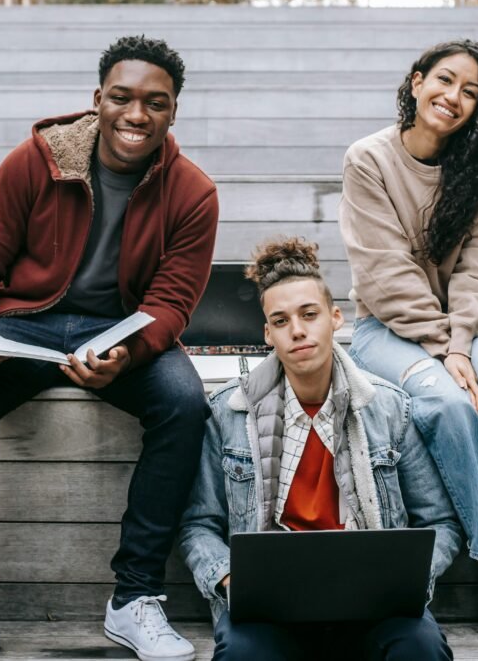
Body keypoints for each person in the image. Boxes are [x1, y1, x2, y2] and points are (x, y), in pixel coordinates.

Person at [0, 35, 218, 661]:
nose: (136, 115)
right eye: (122, 98)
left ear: (173, 112)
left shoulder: (192, 192)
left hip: (123, 330)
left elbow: (172, 303)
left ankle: (134, 598)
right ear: (97, 100)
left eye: (155, 104)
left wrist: (128, 356)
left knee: (186, 403)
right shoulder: (37, 161)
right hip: (26, 321)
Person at [338, 40, 478, 653]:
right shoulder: (369, 160)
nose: (454, 98)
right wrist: (448, 350)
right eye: (444, 81)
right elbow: (385, 277)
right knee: (446, 404)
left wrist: (462, 341)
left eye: (472, 92)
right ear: (416, 83)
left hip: (464, 324)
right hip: (385, 329)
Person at [179, 237, 462, 661]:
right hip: (270, 611)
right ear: (267, 334)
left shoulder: (388, 408)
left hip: (374, 607)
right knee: (242, 654)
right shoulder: (229, 413)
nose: (297, 330)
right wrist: (230, 579)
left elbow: (440, 521)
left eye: (309, 314)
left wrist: (405, 581)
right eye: (281, 320)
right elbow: (197, 525)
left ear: (335, 318)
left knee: (420, 648)